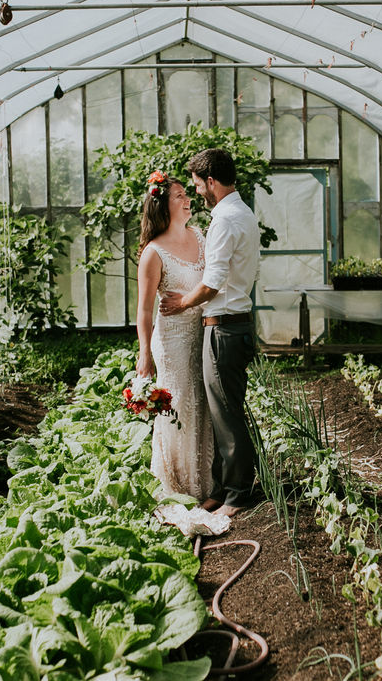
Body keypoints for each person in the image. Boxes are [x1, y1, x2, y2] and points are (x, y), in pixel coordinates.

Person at [160, 148, 260, 518]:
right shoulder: (243, 213)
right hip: (237, 325)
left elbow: (213, 284)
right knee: (223, 413)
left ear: (212, 182)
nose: (197, 192)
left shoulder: (224, 221)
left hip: (224, 329)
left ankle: (236, 495)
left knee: (228, 416)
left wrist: (182, 303)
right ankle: (222, 487)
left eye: (199, 185)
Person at [135, 170, 214, 502]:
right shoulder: (153, 252)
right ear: (162, 206)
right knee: (180, 405)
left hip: (204, 332)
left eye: (186, 194)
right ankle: (179, 486)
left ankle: (210, 482)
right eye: (179, 196)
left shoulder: (199, 235)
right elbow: (143, 310)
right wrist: (144, 356)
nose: (187, 199)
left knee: (205, 404)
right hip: (172, 341)